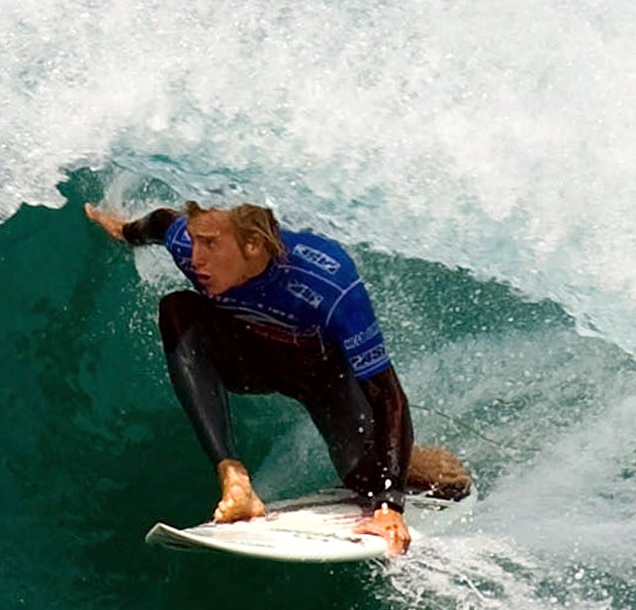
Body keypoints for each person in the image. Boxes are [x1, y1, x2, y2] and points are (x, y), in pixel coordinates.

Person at [86, 199, 467, 555]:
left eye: (210, 244)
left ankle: (417, 462)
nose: (195, 257)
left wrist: (388, 505)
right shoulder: (193, 248)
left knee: (366, 480)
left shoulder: (329, 282)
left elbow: (388, 397)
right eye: (194, 241)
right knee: (177, 308)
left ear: (252, 244)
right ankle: (234, 478)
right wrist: (124, 230)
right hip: (248, 361)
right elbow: (162, 223)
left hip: (319, 377)